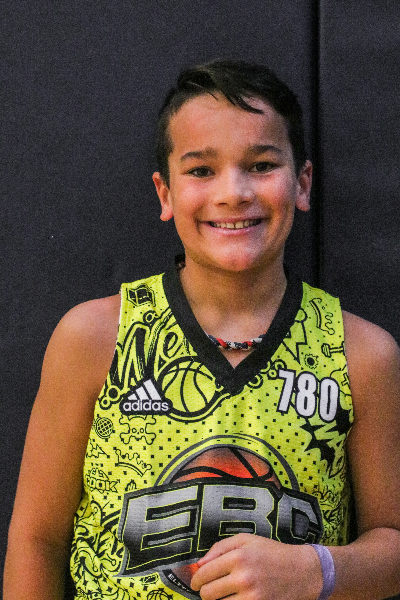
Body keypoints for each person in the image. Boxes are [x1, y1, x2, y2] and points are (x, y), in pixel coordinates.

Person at [4, 59, 400, 600]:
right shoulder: (95, 338)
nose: (233, 192)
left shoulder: (362, 355)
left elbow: (393, 545)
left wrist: (317, 570)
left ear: (302, 183)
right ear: (165, 193)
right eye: (201, 170)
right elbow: (37, 540)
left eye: (261, 165)